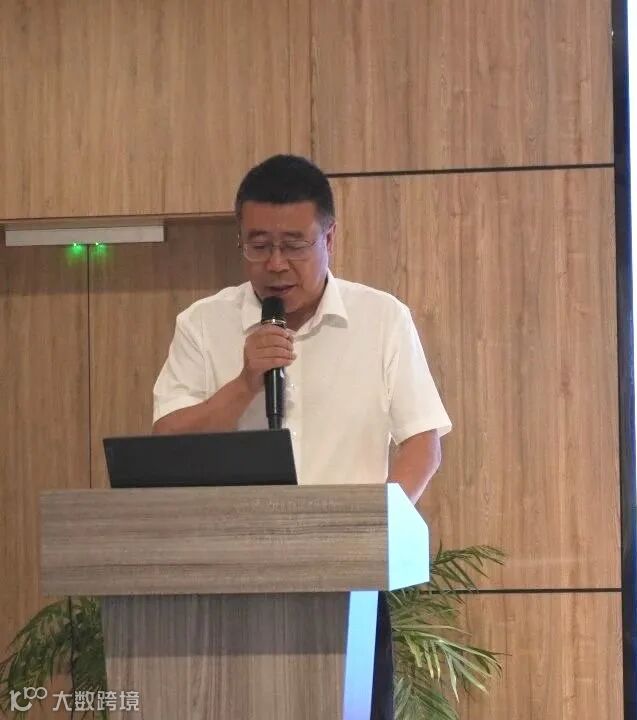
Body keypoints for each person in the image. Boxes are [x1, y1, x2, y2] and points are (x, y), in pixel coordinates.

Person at [151, 153, 451, 719]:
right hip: (228, 582)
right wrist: (245, 382)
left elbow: (422, 443)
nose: (275, 263)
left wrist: (374, 528)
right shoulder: (203, 323)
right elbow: (167, 439)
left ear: (329, 238)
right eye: (258, 245)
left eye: (294, 244)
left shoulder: (381, 318)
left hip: (348, 580)